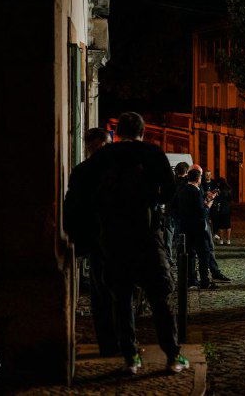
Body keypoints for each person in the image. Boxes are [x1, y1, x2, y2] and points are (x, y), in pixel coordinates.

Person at [77, 112, 188, 374]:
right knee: (159, 297)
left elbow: (87, 194)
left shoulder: (105, 156)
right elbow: (170, 192)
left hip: (114, 237)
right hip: (146, 235)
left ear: (119, 131)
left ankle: (130, 357)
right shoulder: (152, 153)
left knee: (121, 298)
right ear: (143, 130)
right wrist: (152, 201)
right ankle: (172, 355)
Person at [64, 128, 117, 357]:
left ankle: (108, 344)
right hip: (114, 239)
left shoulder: (82, 171)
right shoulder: (118, 170)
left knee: (102, 295)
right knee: (117, 292)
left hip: (97, 241)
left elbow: (72, 207)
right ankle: (121, 344)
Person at [174, 169, 218, 290]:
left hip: (185, 227)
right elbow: (201, 212)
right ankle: (205, 281)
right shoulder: (195, 191)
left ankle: (191, 280)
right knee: (204, 254)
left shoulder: (182, 190)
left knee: (190, 254)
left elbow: (176, 207)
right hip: (198, 228)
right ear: (198, 179)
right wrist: (208, 205)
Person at [213, 176, 233, 245]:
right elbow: (230, 199)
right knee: (228, 225)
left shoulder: (219, 190)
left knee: (221, 225)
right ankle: (228, 240)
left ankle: (221, 240)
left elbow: (217, 199)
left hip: (220, 208)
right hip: (227, 208)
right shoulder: (229, 189)